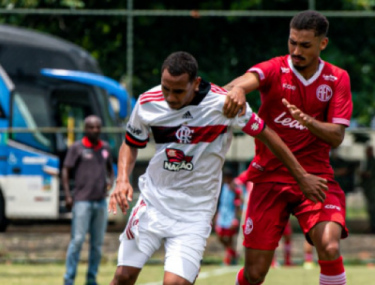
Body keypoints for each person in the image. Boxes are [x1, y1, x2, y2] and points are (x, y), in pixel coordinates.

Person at [108, 51, 327, 285]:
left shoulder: (225, 104)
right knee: (123, 276)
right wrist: (122, 179)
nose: (170, 97)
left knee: (175, 284)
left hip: (194, 213)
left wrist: (302, 176)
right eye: (165, 88)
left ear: (196, 83)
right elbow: (130, 144)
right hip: (153, 203)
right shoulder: (147, 102)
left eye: (179, 91)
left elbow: (268, 135)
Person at [223, 10, 353, 285]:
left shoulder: (337, 78)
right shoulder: (274, 68)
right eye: (292, 42)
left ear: (322, 44)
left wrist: (309, 122)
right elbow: (244, 81)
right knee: (255, 273)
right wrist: (236, 90)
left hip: (316, 178)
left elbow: (337, 136)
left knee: (329, 246)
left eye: (305, 45)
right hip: (269, 178)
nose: (296, 50)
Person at [62, 115, 114, 285]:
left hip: (100, 202)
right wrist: (68, 195)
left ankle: (91, 279)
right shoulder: (77, 148)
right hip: (82, 201)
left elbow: (110, 169)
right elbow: (65, 171)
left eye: (97, 127)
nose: (95, 130)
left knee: (97, 245)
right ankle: (69, 279)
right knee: (77, 241)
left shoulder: (105, 148)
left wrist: (110, 182)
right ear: (85, 129)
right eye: (91, 127)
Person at [214, 168, 243, 266]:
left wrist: (235, 218)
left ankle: (228, 260)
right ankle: (234, 254)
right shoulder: (223, 186)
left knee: (230, 239)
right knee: (219, 235)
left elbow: (238, 203)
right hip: (222, 216)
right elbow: (220, 203)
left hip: (230, 216)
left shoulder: (235, 188)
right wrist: (217, 215)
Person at [359, 145, 375, 234]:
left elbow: (369, 174)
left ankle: (374, 227)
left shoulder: (373, 162)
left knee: (372, 208)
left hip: (372, 188)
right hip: (368, 187)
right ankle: (372, 226)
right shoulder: (367, 161)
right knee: (370, 208)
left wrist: (360, 173)